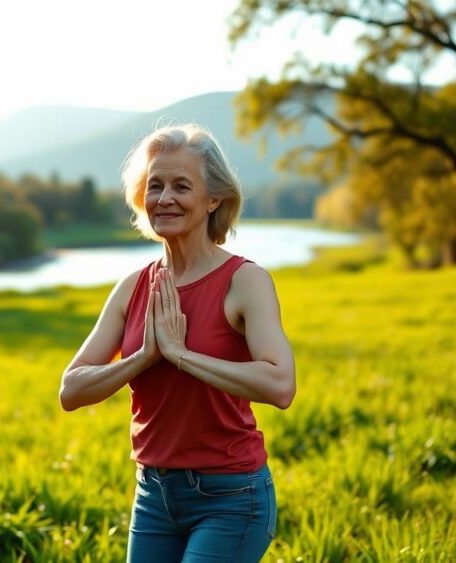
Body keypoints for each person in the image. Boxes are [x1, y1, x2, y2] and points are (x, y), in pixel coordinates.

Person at [58, 123, 297, 562]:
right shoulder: (132, 287)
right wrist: (146, 357)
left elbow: (280, 385)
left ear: (213, 199)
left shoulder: (245, 281)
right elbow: (71, 390)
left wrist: (183, 355)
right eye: (155, 186)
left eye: (181, 186)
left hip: (231, 497)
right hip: (153, 496)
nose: (164, 198)